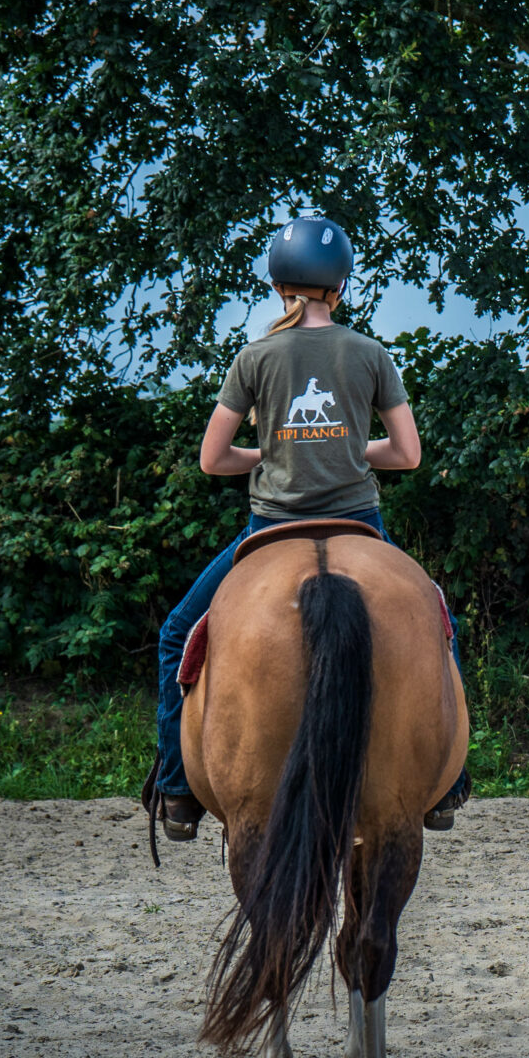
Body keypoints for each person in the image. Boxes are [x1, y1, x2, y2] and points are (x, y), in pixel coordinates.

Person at [142, 210, 460, 839]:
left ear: (277, 285)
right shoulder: (370, 353)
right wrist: (344, 450)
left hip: (272, 524)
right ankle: (447, 783)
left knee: (179, 633)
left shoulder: (254, 356)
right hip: (357, 519)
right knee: (434, 623)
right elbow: (407, 455)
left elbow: (213, 460)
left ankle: (177, 789)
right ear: (340, 287)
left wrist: (277, 453)